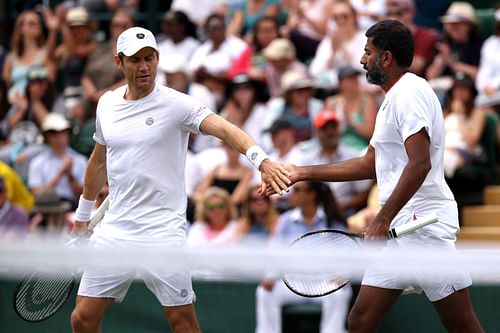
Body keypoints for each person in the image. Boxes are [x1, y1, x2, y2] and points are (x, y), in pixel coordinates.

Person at [70, 26, 290, 333]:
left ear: (158, 58)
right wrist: (83, 216)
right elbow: (98, 161)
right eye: (135, 60)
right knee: (82, 319)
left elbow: (225, 129)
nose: (144, 66)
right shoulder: (106, 104)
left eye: (149, 58)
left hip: (162, 233)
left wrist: (261, 160)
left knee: (182, 323)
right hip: (114, 232)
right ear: (119, 62)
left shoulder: (178, 104)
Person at [273, 20, 484, 332]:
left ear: (386, 58)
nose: (362, 59)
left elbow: (420, 163)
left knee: (462, 325)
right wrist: (302, 173)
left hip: (423, 229)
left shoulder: (408, 94)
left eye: (367, 52)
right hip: (401, 230)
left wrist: (382, 219)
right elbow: (368, 164)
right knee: (359, 321)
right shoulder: (392, 99)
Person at [256, 181, 352, 333]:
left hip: (325, 281)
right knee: (264, 291)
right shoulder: (285, 221)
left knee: (340, 292)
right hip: (293, 282)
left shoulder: (333, 219)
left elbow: (348, 254)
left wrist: (342, 275)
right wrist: (270, 275)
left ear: (311, 195)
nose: (291, 194)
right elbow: (275, 252)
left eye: (298, 190)